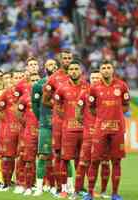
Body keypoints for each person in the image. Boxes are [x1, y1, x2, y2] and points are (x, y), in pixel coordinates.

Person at [84, 60, 130, 200]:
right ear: (100, 70)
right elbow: (91, 108)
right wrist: (103, 117)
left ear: (113, 69)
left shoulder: (122, 86)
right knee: (95, 161)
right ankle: (90, 193)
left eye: (108, 67)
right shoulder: (94, 88)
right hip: (100, 129)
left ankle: (115, 193)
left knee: (116, 161)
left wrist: (115, 116)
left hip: (117, 129)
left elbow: (126, 105)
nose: (106, 70)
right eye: (103, 68)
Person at [73, 69, 110, 199]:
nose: (94, 80)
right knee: (83, 163)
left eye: (97, 78)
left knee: (105, 162)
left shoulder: (107, 93)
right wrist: (86, 124)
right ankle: (77, 191)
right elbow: (78, 112)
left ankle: (104, 191)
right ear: (90, 79)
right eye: (92, 78)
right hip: (89, 134)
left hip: (104, 133)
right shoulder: (85, 93)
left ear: (101, 79)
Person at [54, 60, 88, 196]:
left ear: (80, 71)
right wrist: (68, 118)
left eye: (76, 69)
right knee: (65, 159)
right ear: (68, 72)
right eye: (71, 69)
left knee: (82, 160)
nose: (74, 71)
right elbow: (57, 107)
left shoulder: (87, 87)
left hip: (84, 130)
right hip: (68, 130)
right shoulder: (62, 88)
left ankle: (79, 188)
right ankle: (64, 189)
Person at [42, 49, 73, 197]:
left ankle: (75, 187)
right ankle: (60, 187)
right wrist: (58, 106)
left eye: (69, 58)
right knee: (59, 154)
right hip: (60, 122)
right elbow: (45, 100)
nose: (67, 60)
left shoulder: (76, 75)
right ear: (60, 60)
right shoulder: (54, 78)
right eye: (65, 58)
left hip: (76, 122)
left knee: (79, 155)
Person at [0, 71, 23, 191]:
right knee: (7, 157)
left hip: (24, 130)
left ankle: (21, 183)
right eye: (16, 77)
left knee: (23, 157)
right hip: (9, 130)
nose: (19, 79)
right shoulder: (6, 93)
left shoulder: (27, 93)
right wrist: (4, 119)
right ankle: (6, 182)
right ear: (11, 79)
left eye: (21, 77)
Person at [32, 59, 58, 196]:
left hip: (61, 125)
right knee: (42, 155)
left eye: (54, 64)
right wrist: (41, 118)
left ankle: (64, 187)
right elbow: (35, 106)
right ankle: (39, 187)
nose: (51, 67)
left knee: (63, 157)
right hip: (45, 124)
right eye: (49, 64)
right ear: (45, 67)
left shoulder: (64, 83)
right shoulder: (39, 85)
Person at [16, 73, 41, 195]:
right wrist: (27, 124)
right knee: (29, 160)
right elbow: (19, 114)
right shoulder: (24, 98)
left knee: (45, 159)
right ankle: (28, 186)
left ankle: (47, 186)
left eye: (37, 80)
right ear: (29, 82)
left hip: (43, 132)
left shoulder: (45, 97)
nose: (35, 82)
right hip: (30, 133)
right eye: (33, 80)